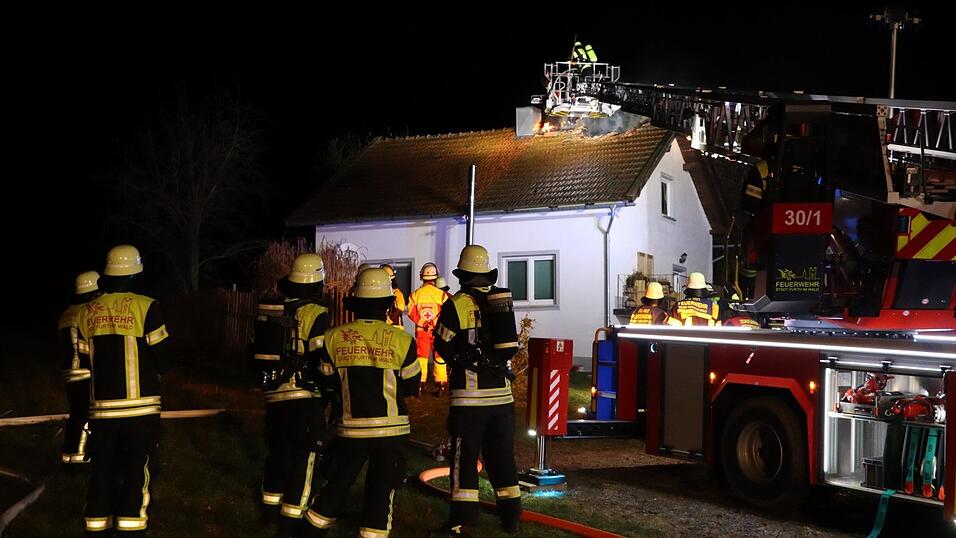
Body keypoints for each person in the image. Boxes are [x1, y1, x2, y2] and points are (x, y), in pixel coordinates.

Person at [303, 268, 421, 538]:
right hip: (391, 433)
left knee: (335, 487)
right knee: (381, 495)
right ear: (389, 304)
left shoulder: (333, 338)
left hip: (350, 430)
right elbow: (412, 386)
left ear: (354, 304)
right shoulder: (404, 340)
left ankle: (308, 531)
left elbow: (326, 380)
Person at [75, 245, 170, 535]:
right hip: (140, 411)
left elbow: (83, 359)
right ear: (136, 273)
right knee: (134, 472)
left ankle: (96, 526)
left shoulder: (85, 312)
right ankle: (131, 528)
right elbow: (164, 360)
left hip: (101, 411)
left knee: (101, 471)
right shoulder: (147, 306)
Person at [434, 245, 522, 535]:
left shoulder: (456, 304)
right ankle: (511, 517)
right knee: (502, 457)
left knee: (465, 458)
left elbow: (443, 345)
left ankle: (462, 519)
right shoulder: (501, 303)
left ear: (463, 276)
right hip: (502, 399)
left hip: (469, 400)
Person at [251, 253, 331, 536]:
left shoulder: (276, 308)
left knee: (278, 452)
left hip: (274, 396)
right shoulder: (317, 313)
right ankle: (292, 517)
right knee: (304, 456)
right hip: (304, 397)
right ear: (317, 282)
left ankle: (269, 509)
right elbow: (321, 359)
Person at [59, 271, 101, 465]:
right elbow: (89, 346)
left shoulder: (67, 313)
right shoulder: (86, 312)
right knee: (86, 414)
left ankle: (68, 454)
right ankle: (79, 457)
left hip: (69, 371)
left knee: (76, 413)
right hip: (84, 371)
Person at [407, 262, 451, 396]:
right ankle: (441, 385)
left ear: (422, 276)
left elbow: (411, 313)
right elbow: (446, 313)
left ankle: (420, 385)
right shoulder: (442, 295)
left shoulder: (414, 295)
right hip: (438, 331)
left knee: (421, 357)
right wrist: (434, 324)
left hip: (421, 332)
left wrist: (423, 323)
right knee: (440, 356)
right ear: (435, 276)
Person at [380, 264, 406, 329]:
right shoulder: (381, 293)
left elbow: (400, 308)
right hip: (383, 327)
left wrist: (388, 320)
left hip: (395, 327)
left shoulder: (396, 293)